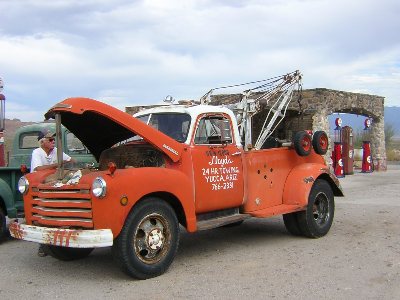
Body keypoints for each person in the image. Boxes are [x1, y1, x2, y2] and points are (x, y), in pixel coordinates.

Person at [31, 129, 75, 257]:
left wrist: (70, 164)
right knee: (43, 216)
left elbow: (71, 160)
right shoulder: (37, 153)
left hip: (55, 186)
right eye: (50, 139)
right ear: (42, 142)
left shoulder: (56, 151)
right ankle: (42, 245)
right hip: (41, 189)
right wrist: (58, 164)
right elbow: (38, 169)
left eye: (53, 139)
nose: (53, 141)